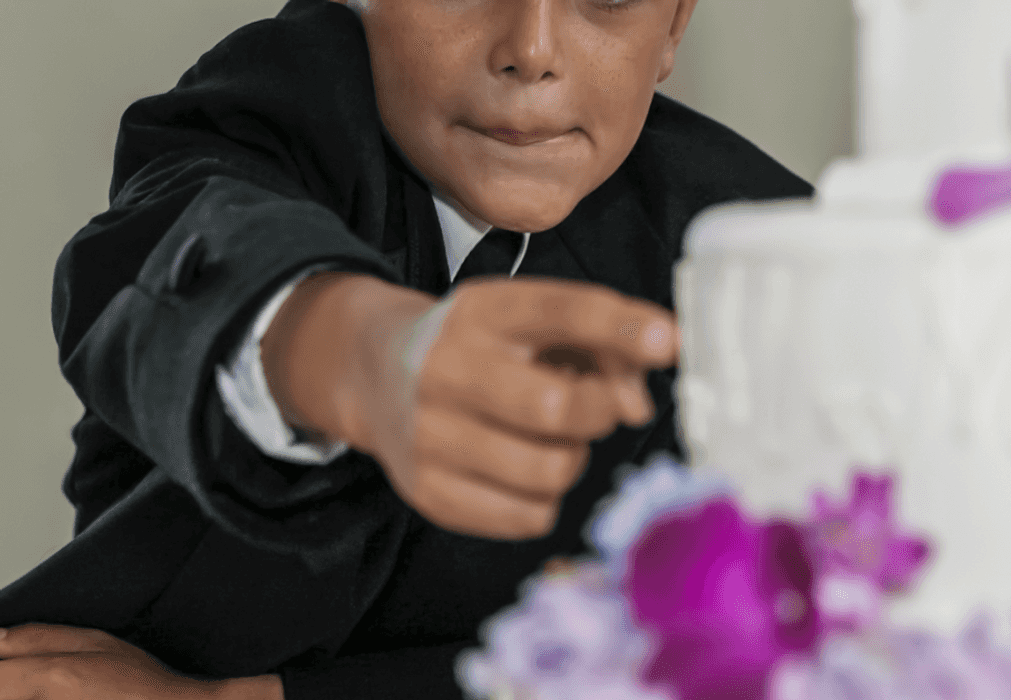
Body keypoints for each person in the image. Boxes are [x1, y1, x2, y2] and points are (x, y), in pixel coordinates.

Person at [0, 0, 813, 698]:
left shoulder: (765, 252)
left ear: (672, 26)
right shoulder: (282, 100)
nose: (530, 51)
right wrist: (363, 357)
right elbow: (161, 255)